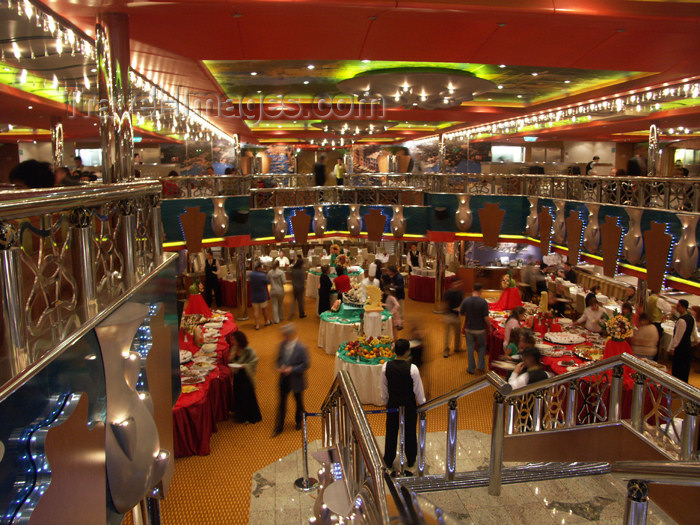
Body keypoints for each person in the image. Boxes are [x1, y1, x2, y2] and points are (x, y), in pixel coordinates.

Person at [381, 338, 426, 476]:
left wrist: (385, 400)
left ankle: (388, 459)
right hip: (409, 404)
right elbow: (418, 389)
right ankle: (411, 458)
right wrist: (422, 402)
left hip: (393, 404)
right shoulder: (413, 369)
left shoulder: (386, 366)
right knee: (410, 430)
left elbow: (384, 388)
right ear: (407, 352)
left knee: (391, 431)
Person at [272, 324, 310, 437]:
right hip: (284, 380)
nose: (282, 337)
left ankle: (299, 421)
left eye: (284, 334)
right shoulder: (281, 346)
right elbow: (278, 359)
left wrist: (292, 369)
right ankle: (279, 427)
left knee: (298, 402)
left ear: (289, 335)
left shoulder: (301, 348)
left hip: (296, 380)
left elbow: (306, 364)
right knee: (281, 404)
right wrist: (280, 366)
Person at [228, 331, 262, 424]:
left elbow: (254, 361)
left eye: (234, 339)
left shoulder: (248, 350)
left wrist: (245, 366)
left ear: (239, 340)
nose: (232, 341)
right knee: (238, 395)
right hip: (237, 376)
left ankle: (249, 417)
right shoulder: (234, 349)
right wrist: (231, 358)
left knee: (246, 396)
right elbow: (232, 362)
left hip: (246, 376)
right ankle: (240, 416)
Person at [460, 283, 492, 374]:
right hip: (480, 329)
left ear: (472, 289)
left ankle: (471, 368)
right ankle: (481, 366)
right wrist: (489, 327)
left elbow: (461, 313)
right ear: (480, 290)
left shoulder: (466, 300)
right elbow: (486, 317)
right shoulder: (483, 302)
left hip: (469, 328)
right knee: (482, 347)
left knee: (470, 348)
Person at [668, 299, 697, 382]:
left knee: (679, 366)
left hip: (681, 346)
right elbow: (693, 332)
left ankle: (677, 383)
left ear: (683, 307)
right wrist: (695, 340)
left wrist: (673, 348)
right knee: (685, 366)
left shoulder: (682, 320)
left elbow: (678, 336)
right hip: (687, 345)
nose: (677, 308)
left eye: (678, 306)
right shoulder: (691, 318)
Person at [443, 280, 464, 357]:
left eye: (459, 283)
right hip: (449, 315)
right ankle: (446, 350)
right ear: (452, 284)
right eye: (456, 283)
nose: (457, 285)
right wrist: (446, 315)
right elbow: (446, 305)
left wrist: (460, 312)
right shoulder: (448, 293)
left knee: (458, 333)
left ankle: (457, 348)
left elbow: (461, 304)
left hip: (457, 315)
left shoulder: (460, 293)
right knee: (448, 334)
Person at [248, 262, 270, 330]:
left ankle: (257, 325)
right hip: (262, 294)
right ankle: (266, 321)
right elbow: (267, 282)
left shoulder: (251, 274)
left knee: (256, 310)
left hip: (254, 295)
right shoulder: (262, 275)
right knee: (264, 309)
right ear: (259, 267)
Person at [267, 260, 287, 324]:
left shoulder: (270, 272)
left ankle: (276, 320)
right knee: (280, 304)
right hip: (280, 290)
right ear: (279, 265)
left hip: (273, 290)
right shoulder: (281, 272)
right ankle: (281, 317)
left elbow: (267, 281)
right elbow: (284, 282)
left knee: (274, 305)